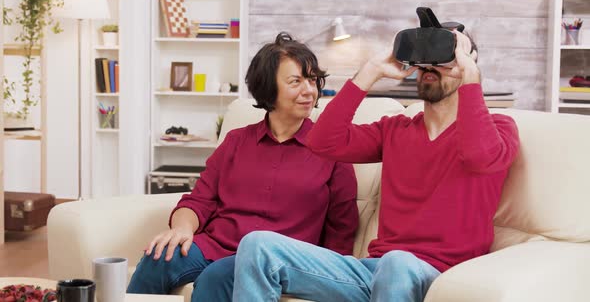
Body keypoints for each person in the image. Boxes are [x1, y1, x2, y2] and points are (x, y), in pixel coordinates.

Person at [232, 30, 520, 302]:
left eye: (445, 60)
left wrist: (471, 76)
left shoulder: (499, 129)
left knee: (398, 262)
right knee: (258, 246)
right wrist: (370, 72)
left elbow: (479, 156)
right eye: (426, 60)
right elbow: (323, 142)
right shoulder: (395, 130)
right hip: (374, 271)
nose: (431, 67)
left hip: (440, 277)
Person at [127, 32, 358, 301]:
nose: (309, 90)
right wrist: (181, 229)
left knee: (219, 276)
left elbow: (341, 231)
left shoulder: (333, 151)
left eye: (312, 80)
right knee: (158, 258)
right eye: (296, 81)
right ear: (268, 88)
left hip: (272, 259)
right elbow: (199, 200)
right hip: (215, 245)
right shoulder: (237, 141)